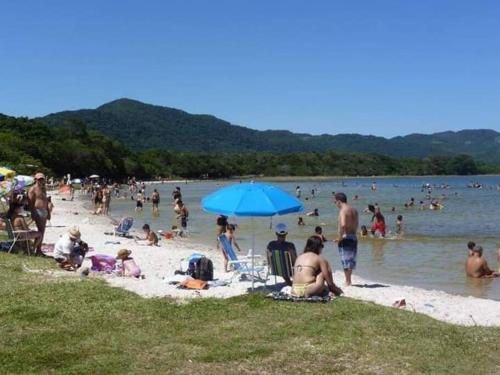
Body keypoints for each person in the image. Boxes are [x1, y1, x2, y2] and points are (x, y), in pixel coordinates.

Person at [334, 192, 359, 286]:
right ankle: (349, 280)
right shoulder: (354, 210)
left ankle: (347, 281)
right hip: (353, 236)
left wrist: (340, 237)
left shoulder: (343, 210)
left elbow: (343, 224)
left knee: (345, 260)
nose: (335, 204)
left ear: (339, 201)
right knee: (351, 260)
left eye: (335, 202)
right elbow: (356, 224)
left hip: (346, 237)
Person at [28, 172, 50, 256]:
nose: (41, 181)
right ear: (36, 180)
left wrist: (48, 211)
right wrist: (33, 213)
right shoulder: (32, 189)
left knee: (42, 231)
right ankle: (37, 249)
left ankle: (38, 249)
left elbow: (46, 201)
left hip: (44, 211)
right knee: (41, 231)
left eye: (42, 179)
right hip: (38, 211)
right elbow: (31, 203)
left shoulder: (43, 189)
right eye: (39, 179)